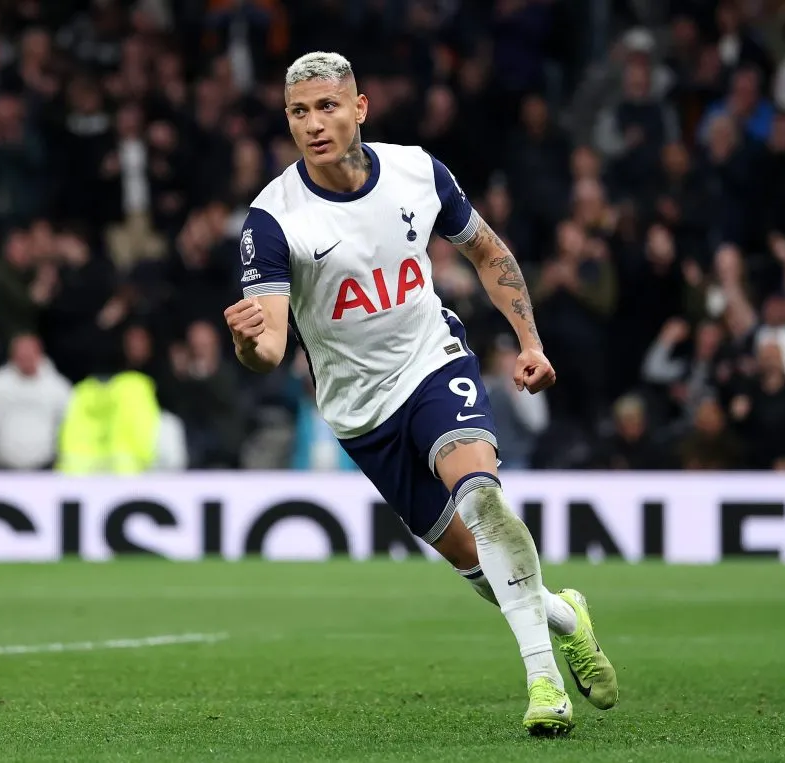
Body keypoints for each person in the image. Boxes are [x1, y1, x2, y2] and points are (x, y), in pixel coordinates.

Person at [223, 52, 618, 736]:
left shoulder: (417, 170)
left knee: (484, 499)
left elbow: (489, 253)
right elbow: (270, 350)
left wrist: (528, 341)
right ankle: (565, 615)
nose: (314, 123)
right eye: (298, 112)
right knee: (473, 560)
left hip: (433, 361)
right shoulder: (272, 219)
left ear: (360, 107)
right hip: (360, 412)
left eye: (327, 106)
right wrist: (245, 342)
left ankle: (543, 679)